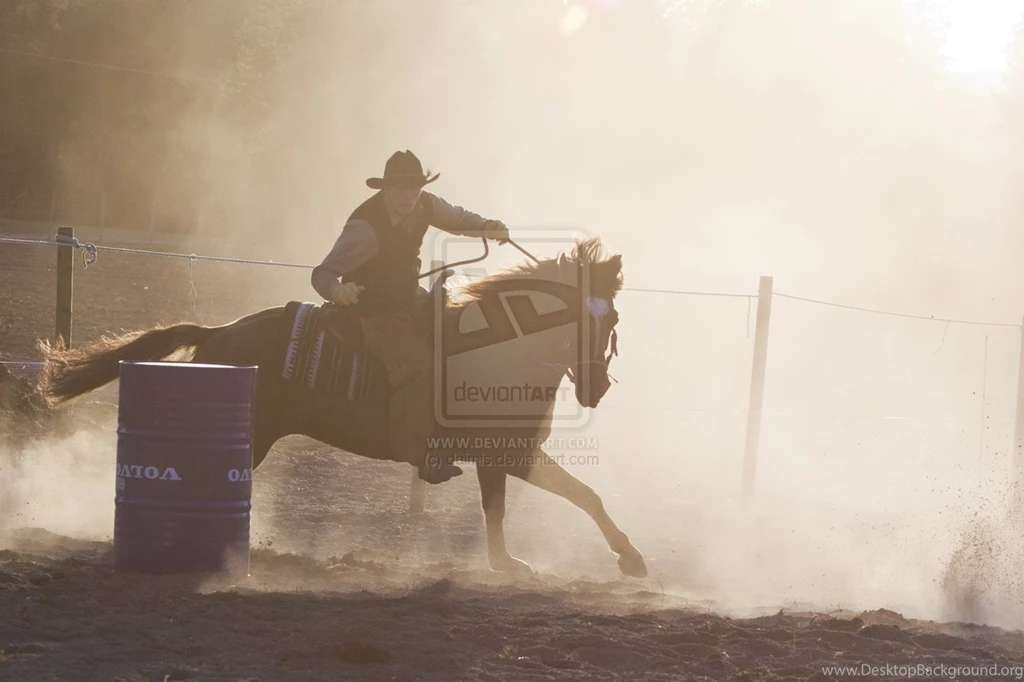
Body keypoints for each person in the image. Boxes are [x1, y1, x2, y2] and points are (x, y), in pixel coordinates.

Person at [311, 150, 510, 483]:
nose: (407, 195)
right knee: (423, 367)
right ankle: (421, 454)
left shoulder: (425, 205)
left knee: (459, 332)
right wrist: (337, 292)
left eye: (413, 186)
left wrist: (486, 226)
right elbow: (323, 273)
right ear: (386, 189)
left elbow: (459, 218)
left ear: (421, 187)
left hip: (407, 298)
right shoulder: (364, 227)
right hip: (375, 311)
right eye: (400, 188)